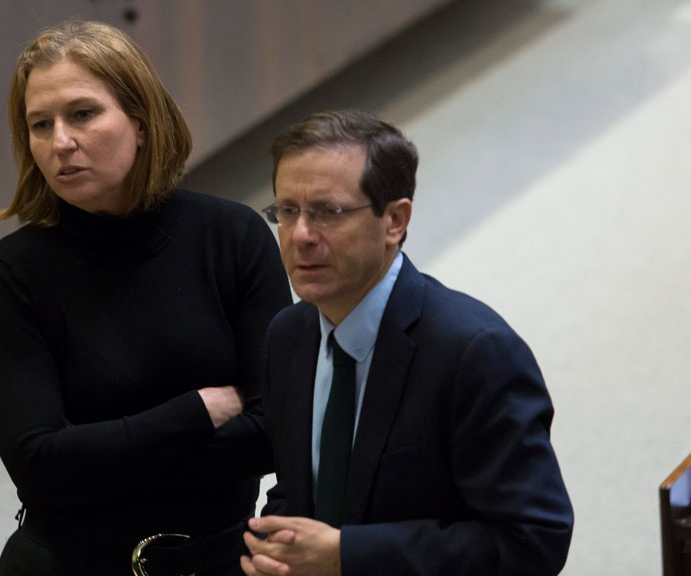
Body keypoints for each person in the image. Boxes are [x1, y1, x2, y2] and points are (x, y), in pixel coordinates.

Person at [0, 20, 292, 575]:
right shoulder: (11, 274)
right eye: (39, 125)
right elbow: (39, 467)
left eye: (82, 114)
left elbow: (279, 432)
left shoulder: (232, 237)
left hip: (219, 559)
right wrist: (200, 410)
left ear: (141, 122)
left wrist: (97, 458)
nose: (60, 143)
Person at [241, 110, 573, 576]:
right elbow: (304, 486)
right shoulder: (288, 336)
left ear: (395, 220)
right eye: (288, 210)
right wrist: (278, 545)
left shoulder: (473, 352)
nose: (300, 236)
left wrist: (347, 556)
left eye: (328, 212)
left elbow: (533, 541)